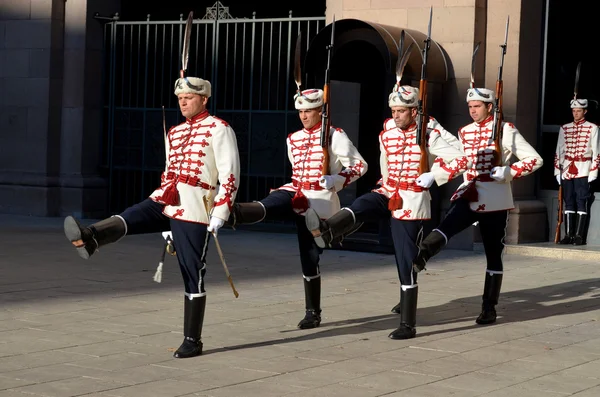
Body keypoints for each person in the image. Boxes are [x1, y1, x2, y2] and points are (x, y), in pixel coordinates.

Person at [63, 76, 241, 359]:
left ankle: (192, 339)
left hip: (196, 205)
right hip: (167, 197)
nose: (183, 102)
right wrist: (166, 218)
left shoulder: (219, 129)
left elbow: (229, 174)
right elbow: (169, 172)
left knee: (191, 271)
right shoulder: (175, 132)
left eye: (189, 98)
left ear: (204, 99)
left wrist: (221, 211)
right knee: (133, 214)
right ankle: (91, 237)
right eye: (180, 98)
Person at [305, 85, 470, 340]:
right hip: (388, 190)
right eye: (393, 111)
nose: (396, 116)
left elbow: (462, 158)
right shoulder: (387, 132)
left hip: (412, 199)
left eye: (401, 111)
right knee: (361, 204)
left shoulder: (429, 133)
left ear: (414, 112)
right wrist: (383, 184)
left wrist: (434, 175)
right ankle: (327, 230)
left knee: (405, 261)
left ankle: (408, 324)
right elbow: (385, 163)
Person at [228, 88, 367, 330]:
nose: (303, 116)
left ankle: (313, 312)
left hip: (320, 197)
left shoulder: (335, 135)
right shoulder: (293, 138)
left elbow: (359, 165)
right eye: (301, 111)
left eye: (309, 111)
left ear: (320, 111)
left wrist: (337, 179)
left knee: (309, 256)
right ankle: (233, 213)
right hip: (296, 189)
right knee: (272, 202)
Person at [413, 87, 543, 325]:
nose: (472, 111)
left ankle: (489, 307)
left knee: (493, 253)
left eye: (477, 107)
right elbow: (459, 160)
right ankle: (423, 254)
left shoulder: (506, 129)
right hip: (470, 192)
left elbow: (535, 159)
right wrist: (437, 173)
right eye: (470, 107)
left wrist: (509, 171)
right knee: (448, 224)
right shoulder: (464, 132)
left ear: (490, 107)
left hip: (495, 198)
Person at [554, 98, 599, 245]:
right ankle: (568, 234)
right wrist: (557, 171)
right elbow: (559, 151)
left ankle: (579, 235)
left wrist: (593, 172)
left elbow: (596, 152)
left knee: (581, 200)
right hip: (567, 169)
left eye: (578, 111)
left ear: (585, 111)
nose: (575, 113)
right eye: (574, 111)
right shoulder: (565, 128)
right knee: (568, 201)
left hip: (583, 168)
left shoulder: (593, 128)